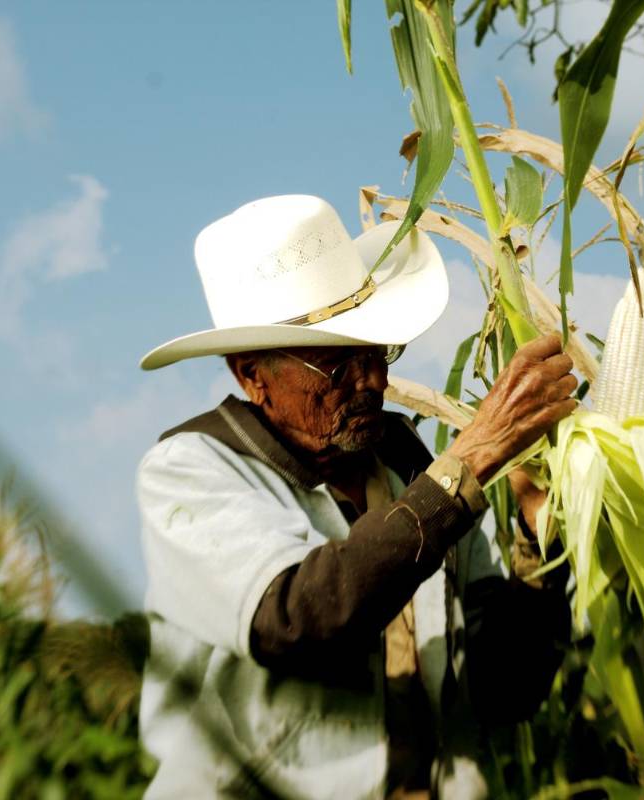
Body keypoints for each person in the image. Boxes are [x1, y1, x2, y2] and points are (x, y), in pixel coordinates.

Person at [136, 195, 576, 799]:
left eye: (376, 352)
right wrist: (469, 461)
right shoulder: (191, 471)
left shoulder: (411, 469)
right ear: (250, 375)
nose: (375, 382)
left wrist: (539, 540)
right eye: (336, 367)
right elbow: (296, 619)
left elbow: (503, 690)